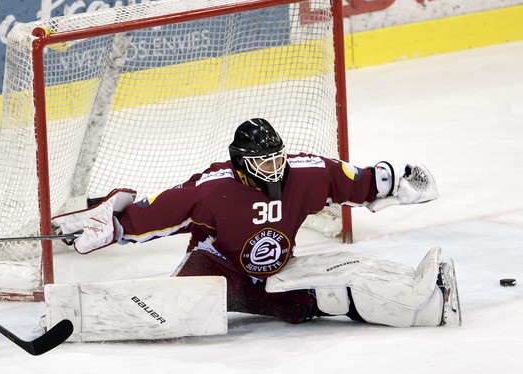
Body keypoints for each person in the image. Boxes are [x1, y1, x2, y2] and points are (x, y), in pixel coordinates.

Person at [51, 118, 461, 329]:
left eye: (278, 157)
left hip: (273, 272)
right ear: (242, 163)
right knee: (169, 310)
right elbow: (153, 214)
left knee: (329, 293)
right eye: (265, 162)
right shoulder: (211, 189)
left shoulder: (304, 174)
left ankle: (426, 305)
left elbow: (351, 181)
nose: (276, 168)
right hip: (216, 269)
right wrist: (112, 226)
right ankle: (79, 313)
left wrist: (392, 183)